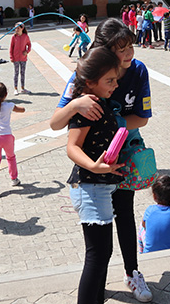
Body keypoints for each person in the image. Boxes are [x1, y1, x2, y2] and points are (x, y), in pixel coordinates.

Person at [50, 19, 153, 303]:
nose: (130, 53)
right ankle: (96, 286)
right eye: (122, 48)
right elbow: (57, 123)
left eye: (131, 45)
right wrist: (74, 104)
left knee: (125, 214)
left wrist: (113, 122)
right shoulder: (90, 72)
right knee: (99, 248)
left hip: (124, 156)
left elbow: (141, 119)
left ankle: (132, 272)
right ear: (104, 52)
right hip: (93, 170)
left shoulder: (138, 70)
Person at [66, 47, 125, 304]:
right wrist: (93, 166)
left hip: (99, 185)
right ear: (91, 82)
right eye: (109, 80)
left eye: (115, 79)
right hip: (89, 186)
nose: (115, 84)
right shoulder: (88, 106)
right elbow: (72, 147)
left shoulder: (99, 101)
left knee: (102, 252)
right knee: (98, 254)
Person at [138, 175, 170, 254]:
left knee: (140, 228)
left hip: (150, 252)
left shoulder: (149, 210)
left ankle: (142, 254)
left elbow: (144, 225)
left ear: (154, 196)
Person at [9, 22, 31, 95]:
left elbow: (29, 45)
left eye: (18, 28)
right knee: (16, 73)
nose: (16, 30)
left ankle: (23, 88)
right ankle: (15, 88)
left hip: (23, 58)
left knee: (22, 73)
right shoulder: (13, 37)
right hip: (15, 58)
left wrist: (27, 51)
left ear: (22, 28)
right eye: (15, 28)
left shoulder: (25, 36)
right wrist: (11, 57)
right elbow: (11, 47)